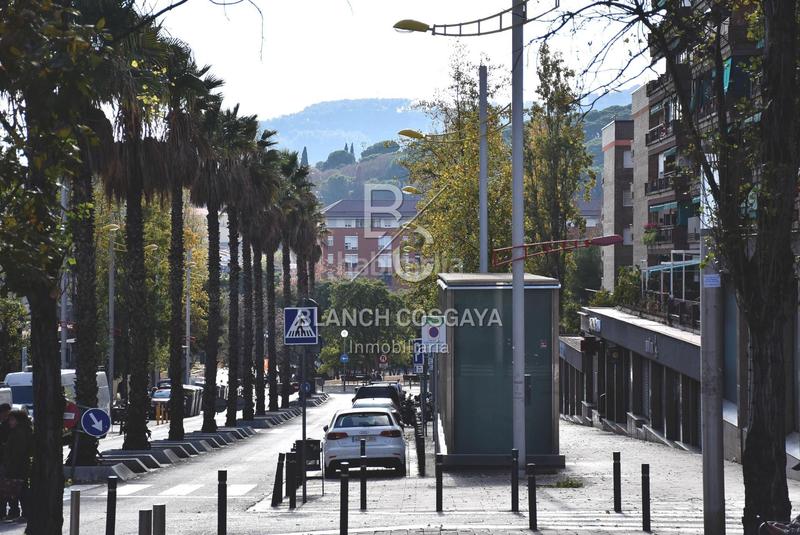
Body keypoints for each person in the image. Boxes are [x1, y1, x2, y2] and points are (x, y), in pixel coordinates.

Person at [4, 410, 32, 520]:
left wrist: (11, 465)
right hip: (20, 466)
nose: (10, 422)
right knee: (19, 491)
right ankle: (21, 512)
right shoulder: (22, 431)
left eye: (12, 420)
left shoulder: (19, 433)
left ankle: (25, 513)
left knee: (21, 491)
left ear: (18, 420)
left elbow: (18, 452)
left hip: (18, 467)